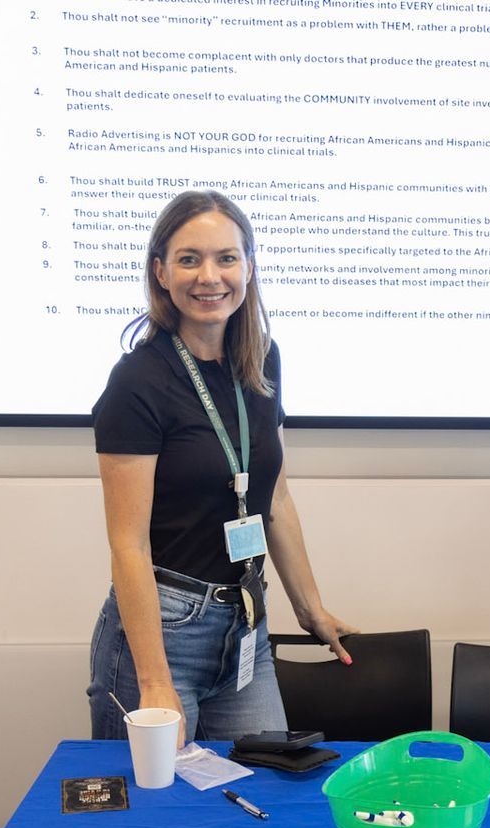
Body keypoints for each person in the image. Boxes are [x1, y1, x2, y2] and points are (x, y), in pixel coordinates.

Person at [87, 189, 355, 743]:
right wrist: (154, 683)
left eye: (226, 258)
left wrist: (311, 609)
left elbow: (273, 498)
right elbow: (128, 546)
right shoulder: (138, 382)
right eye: (189, 259)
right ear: (160, 272)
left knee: (266, 789)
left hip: (246, 625)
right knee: (160, 814)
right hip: (165, 630)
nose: (209, 276)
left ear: (249, 267)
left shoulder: (262, 360)